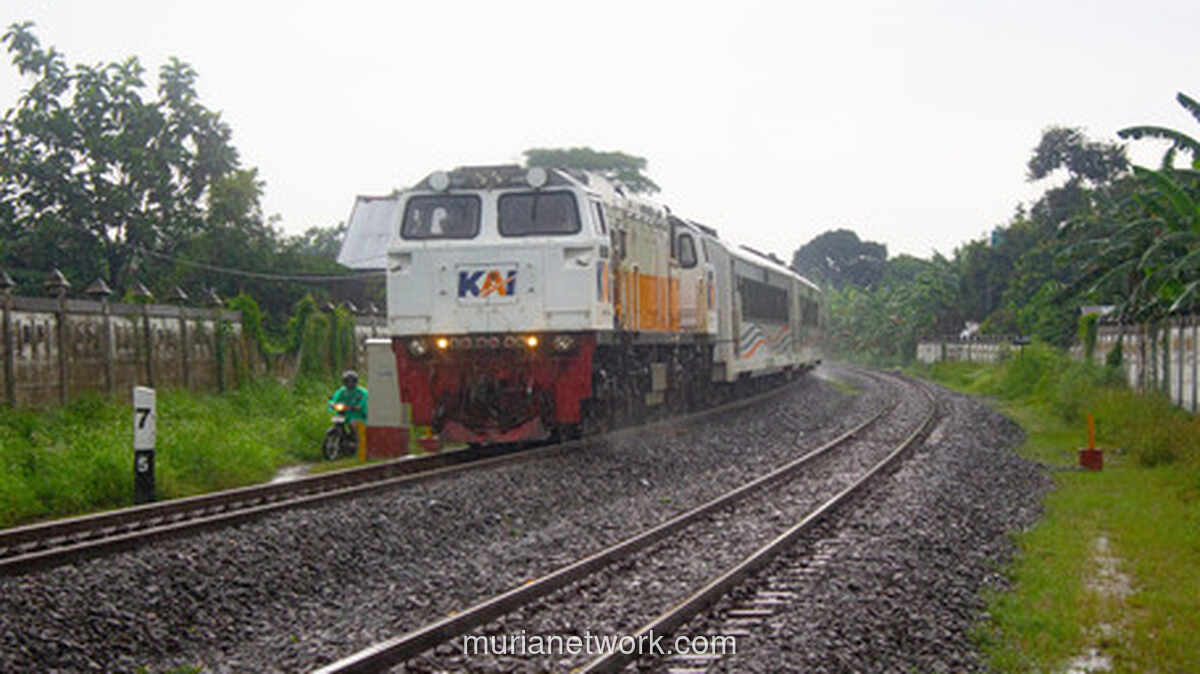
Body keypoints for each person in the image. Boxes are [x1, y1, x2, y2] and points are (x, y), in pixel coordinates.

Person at [328, 370, 369, 459]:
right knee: (336, 421)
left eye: (351, 382)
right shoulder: (342, 391)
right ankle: (340, 440)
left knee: (353, 424)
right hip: (344, 412)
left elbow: (362, 404)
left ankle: (359, 443)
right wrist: (332, 404)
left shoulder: (362, 392)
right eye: (347, 382)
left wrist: (356, 407)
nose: (349, 384)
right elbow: (335, 399)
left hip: (357, 414)